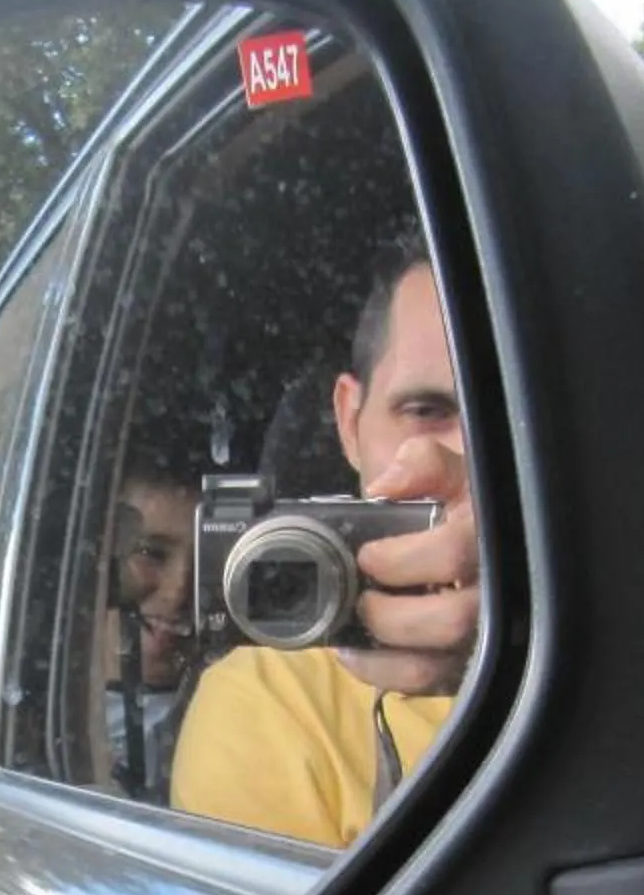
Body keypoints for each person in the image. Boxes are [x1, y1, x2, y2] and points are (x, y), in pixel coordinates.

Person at [169, 241, 479, 847]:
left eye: (514, 412)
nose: (460, 456)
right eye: (426, 410)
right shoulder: (271, 707)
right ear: (348, 423)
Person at [106, 471, 196, 800]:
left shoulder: (255, 712)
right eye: (150, 553)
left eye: (211, 562)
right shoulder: (35, 717)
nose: (178, 592)